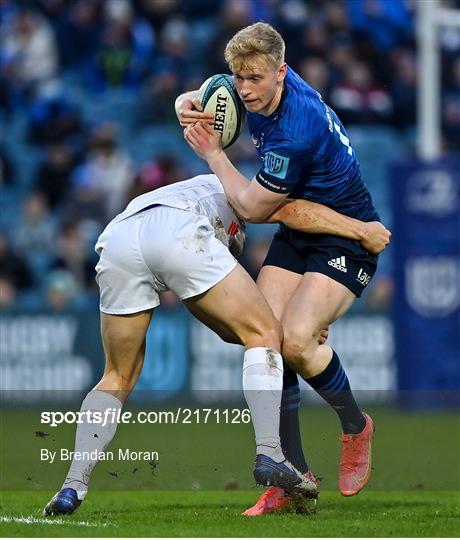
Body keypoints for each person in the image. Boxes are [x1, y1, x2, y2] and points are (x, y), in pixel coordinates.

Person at [43, 172, 389, 516]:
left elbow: (229, 329)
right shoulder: (242, 193)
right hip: (178, 232)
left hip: (119, 236)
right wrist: (360, 230)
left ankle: (73, 485)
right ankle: (271, 452)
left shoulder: (193, 188)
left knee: (116, 377)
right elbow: (286, 212)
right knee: (264, 334)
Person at [176, 22, 391, 515]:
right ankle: (291, 475)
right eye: (238, 78)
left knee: (295, 342)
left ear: (282, 72)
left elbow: (252, 208)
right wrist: (184, 106)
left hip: (346, 235)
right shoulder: (247, 85)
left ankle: (356, 426)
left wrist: (213, 153)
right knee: (263, 338)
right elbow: (198, 95)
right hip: (299, 232)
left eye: (254, 79)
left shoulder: (296, 128)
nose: (244, 89)